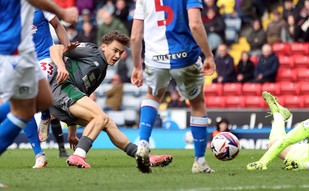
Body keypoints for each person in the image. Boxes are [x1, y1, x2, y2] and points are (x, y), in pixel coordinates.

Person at [48, 30, 172, 171]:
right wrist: (62, 67)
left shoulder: (102, 70)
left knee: (107, 123)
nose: (117, 56)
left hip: (63, 99)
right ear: (104, 47)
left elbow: (82, 97)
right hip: (62, 88)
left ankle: (143, 156)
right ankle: (78, 155)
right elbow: (55, 48)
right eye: (115, 50)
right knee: (99, 117)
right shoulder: (91, 50)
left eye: (120, 52)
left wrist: (72, 133)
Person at [130, 0, 216, 173]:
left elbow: (135, 36)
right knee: (197, 103)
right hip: (185, 57)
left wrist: (137, 66)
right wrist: (209, 55)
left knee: (153, 96)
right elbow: (195, 24)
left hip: (155, 58)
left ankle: (143, 143)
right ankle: (199, 161)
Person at [0, 0, 78, 156]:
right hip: (12, 54)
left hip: (35, 56)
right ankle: (38, 153)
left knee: (43, 100)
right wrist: (62, 12)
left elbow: (56, 25)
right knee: (23, 108)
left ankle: (44, 117)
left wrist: (66, 47)